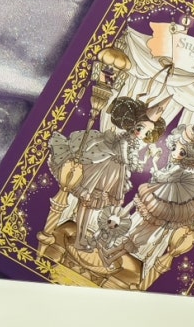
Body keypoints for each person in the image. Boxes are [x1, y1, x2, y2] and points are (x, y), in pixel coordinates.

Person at [48, 96, 166, 250]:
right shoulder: (125, 141)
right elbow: (128, 161)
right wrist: (144, 159)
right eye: (140, 127)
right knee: (86, 204)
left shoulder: (133, 143)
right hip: (102, 173)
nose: (141, 133)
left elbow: (135, 165)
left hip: (112, 175)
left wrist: (148, 158)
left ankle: (81, 238)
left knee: (88, 206)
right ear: (133, 124)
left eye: (147, 132)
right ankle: (79, 239)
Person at [99, 121, 194, 268]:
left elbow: (161, 177)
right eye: (174, 148)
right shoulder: (173, 163)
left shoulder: (178, 168)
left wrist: (154, 163)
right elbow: (160, 177)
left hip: (165, 204)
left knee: (140, 235)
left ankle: (111, 257)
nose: (175, 153)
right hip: (159, 198)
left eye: (182, 152)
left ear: (190, 157)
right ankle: (110, 254)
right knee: (138, 232)